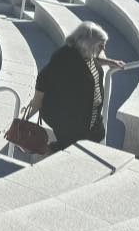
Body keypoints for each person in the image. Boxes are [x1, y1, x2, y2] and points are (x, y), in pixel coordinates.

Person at [27, 20, 124, 152]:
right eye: (101, 46)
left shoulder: (87, 54)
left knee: (92, 141)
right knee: (70, 148)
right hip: (70, 119)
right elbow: (43, 78)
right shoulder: (64, 56)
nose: (103, 49)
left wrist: (110, 62)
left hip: (91, 120)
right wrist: (35, 104)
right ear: (88, 44)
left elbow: (92, 61)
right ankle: (49, 150)